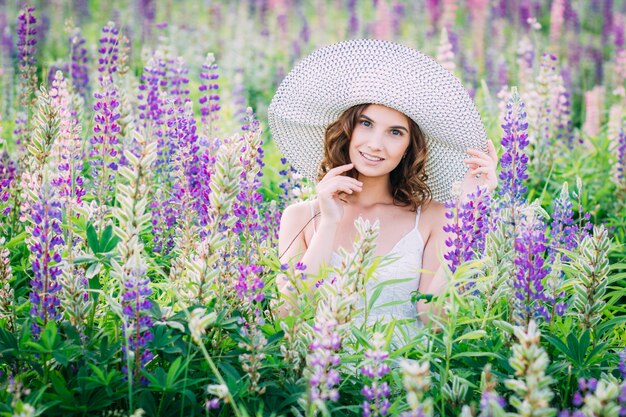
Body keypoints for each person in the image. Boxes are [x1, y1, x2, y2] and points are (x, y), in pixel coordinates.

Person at [268, 39, 498, 329]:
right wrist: (328, 222)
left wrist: (467, 214)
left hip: (403, 368)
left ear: (409, 147)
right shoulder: (300, 217)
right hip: (321, 370)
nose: (375, 144)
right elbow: (289, 316)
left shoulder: (431, 217)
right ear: (347, 129)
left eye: (395, 132)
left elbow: (434, 320)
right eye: (366, 123)